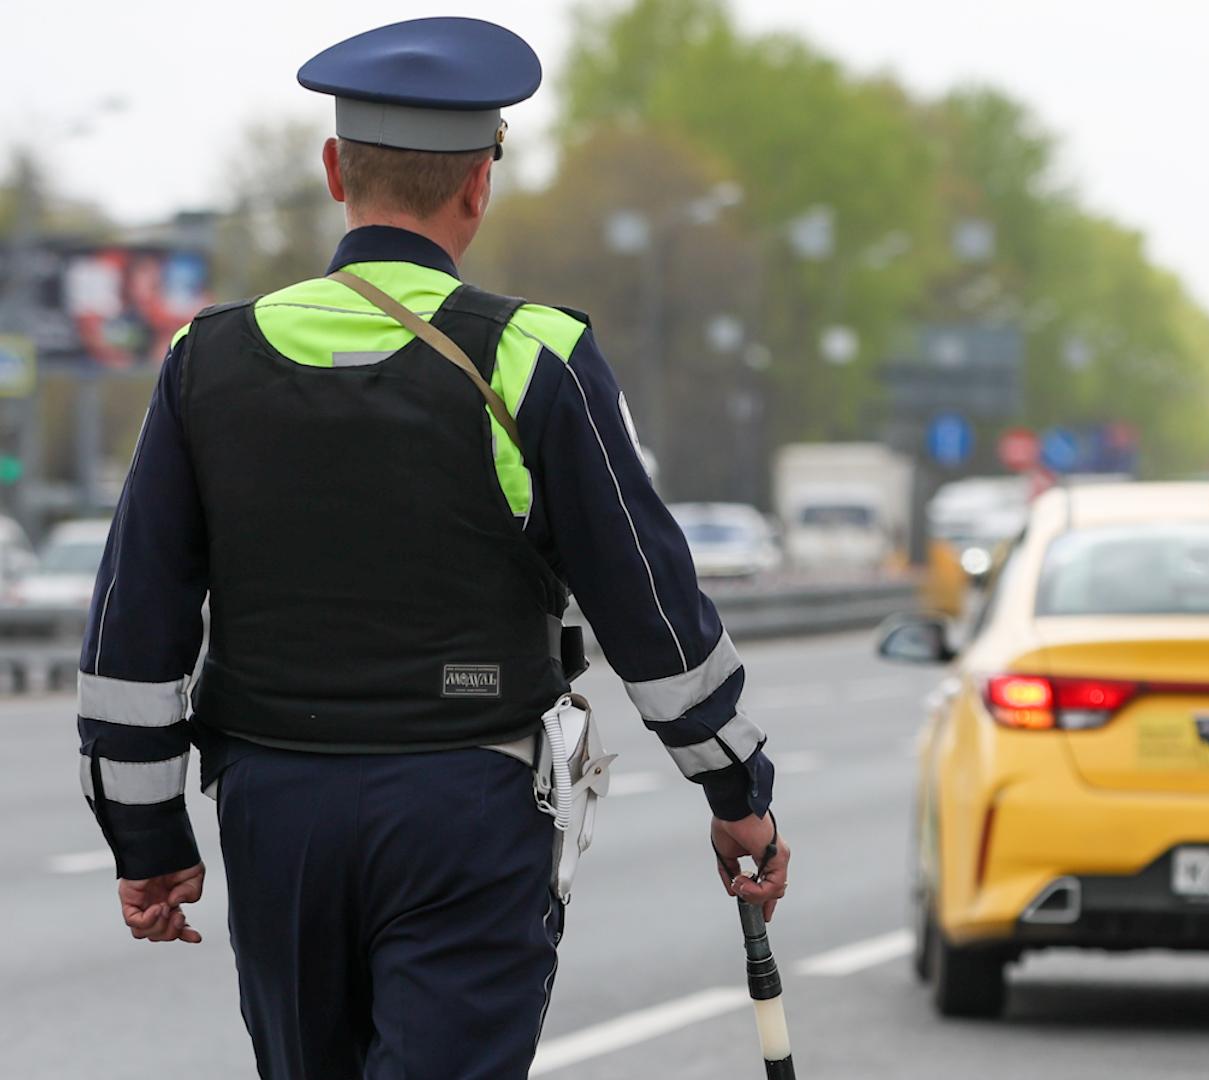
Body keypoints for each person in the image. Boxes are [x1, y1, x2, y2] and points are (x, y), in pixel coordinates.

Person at [73, 17, 789, 1077]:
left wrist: (147, 838)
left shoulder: (201, 363)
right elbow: (652, 610)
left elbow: (134, 628)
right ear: (477, 185)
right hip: (465, 811)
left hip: (276, 815)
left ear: (333, 170)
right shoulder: (535, 360)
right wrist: (740, 797)